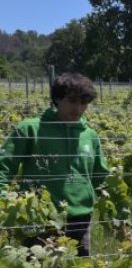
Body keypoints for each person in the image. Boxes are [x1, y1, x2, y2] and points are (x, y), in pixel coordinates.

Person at [0, 72, 109, 256]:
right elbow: (4, 168)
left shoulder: (90, 135)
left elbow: (100, 175)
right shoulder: (31, 129)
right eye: (72, 100)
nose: (78, 107)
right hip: (39, 218)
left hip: (80, 217)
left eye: (83, 103)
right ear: (57, 98)